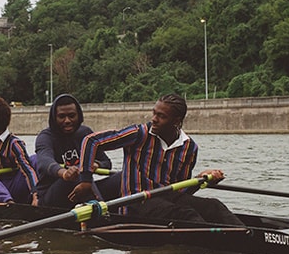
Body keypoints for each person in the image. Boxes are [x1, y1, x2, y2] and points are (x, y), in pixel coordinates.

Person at [69, 93, 242, 226]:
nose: (154, 119)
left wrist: (199, 180)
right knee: (186, 215)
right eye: (154, 113)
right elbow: (92, 141)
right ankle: (215, 242)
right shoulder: (139, 134)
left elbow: (180, 192)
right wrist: (85, 180)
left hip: (168, 202)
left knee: (214, 206)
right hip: (136, 203)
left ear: (177, 121)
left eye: (161, 116)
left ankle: (245, 236)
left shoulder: (189, 148)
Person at [33, 94, 114, 208]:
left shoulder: (86, 133)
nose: (67, 121)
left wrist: (96, 164)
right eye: (61, 117)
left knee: (123, 177)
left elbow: (107, 163)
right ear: (54, 118)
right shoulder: (45, 137)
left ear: (78, 116)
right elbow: (44, 162)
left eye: (72, 116)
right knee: (77, 175)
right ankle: (102, 213)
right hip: (50, 197)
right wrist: (64, 173)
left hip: (82, 188)